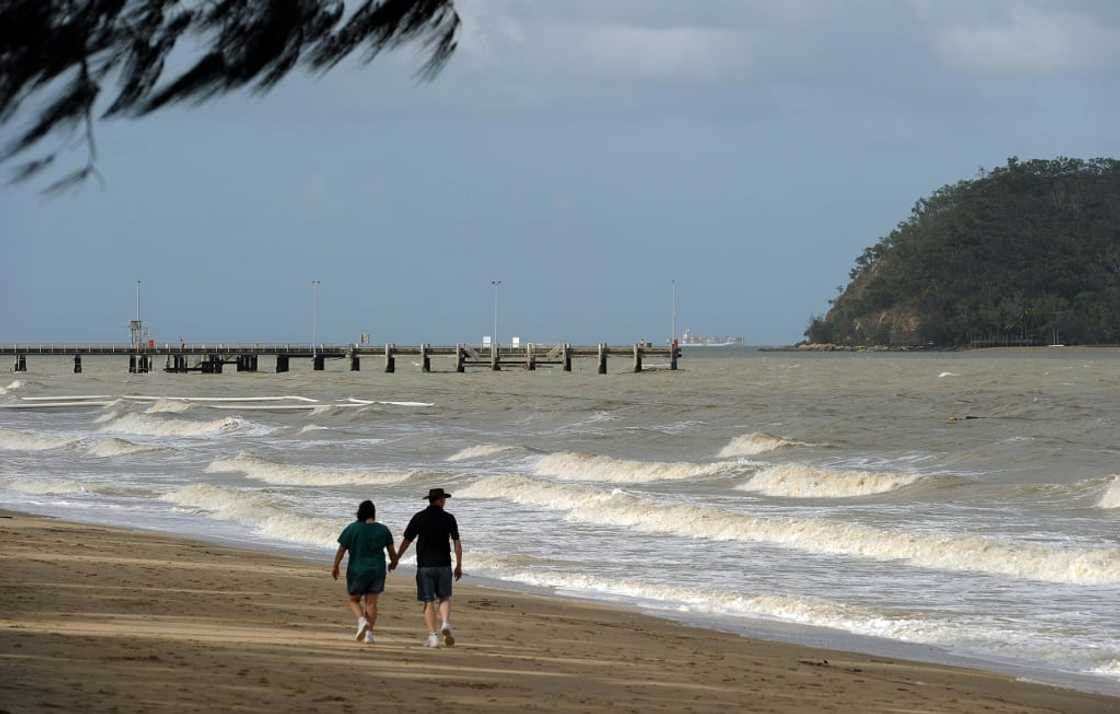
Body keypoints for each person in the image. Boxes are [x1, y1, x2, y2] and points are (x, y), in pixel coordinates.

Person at [393, 487, 462, 648]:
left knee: (428, 600)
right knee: (444, 597)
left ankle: (433, 637)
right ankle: (445, 622)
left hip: (425, 566)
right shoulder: (449, 518)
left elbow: (407, 540)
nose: (444, 501)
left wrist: (396, 558)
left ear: (430, 500)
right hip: (444, 565)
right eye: (444, 499)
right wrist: (459, 564)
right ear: (440, 500)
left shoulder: (419, 517)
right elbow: (457, 542)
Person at [332, 500, 397, 644]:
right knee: (371, 603)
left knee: (354, 600)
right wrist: (393, 563)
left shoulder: (352, 528)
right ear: (373, 513)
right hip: (377, 570)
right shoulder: (383, 529)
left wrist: (335, 566)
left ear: (359, 512)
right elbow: (392, 552)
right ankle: (369, 635)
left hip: (357, 570)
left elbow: (341, 550)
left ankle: (361, 621)